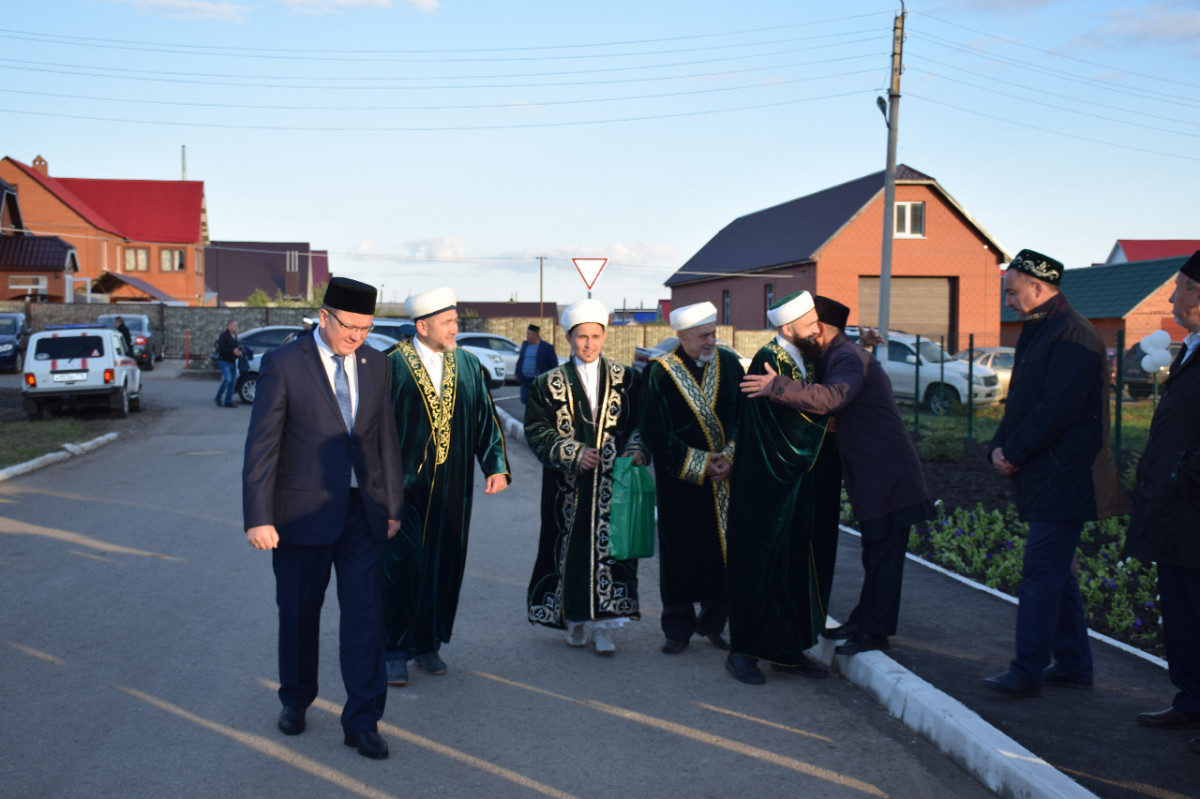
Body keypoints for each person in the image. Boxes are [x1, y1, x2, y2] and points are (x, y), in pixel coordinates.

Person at [242, 276, 405, 760]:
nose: (357, 336)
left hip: (362, 512)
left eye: (366, 328)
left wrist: (392, 505)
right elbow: (262, 445)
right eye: (349, 326)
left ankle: (363, 721)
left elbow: (384, 438)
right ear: (324, 316)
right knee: (298, 614)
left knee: (365, 618)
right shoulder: (283, 363)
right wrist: (259, 516)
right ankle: (295, 699)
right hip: (300, 515)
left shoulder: (377, 363)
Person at [741, 295, 933, 658]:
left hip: (890, 477)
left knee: (884, 556)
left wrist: (777, 386)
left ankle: (875, 631)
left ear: (822, 329)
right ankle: (864, 620)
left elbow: (832, 397)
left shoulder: (845, 357)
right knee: (875, 553)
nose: (809, 333)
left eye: (813, 326)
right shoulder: (842, 353)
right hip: (877, 475)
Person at [983, 249, 1123, 697]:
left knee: (1041, 573)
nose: (1007, 301)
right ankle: (1075, 665)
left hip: (1070, 476)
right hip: (1049, 473)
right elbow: (1021, 402)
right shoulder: (1042, 329)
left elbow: (1056, 407)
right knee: (1058, 576)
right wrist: (998, 445)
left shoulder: (1074, 334)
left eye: (1012, 292)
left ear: (1038, 287)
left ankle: (1027, 670)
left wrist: (1014, 451)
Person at [381, 287, 510, 687]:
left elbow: (486, 418)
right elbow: (374, 430)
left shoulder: (468, 364)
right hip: (404, 489)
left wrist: (495, 466)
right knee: (401, 567)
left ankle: (427, 643)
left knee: (443, 564)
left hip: (454, 487)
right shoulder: (392, 364)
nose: (456, 329)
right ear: (422, 326)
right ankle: (393, 650)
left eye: (456, 321)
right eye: (448, 322)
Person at [724, 291, 842, 684]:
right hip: (765, 486)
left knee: (792, 569)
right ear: (788, 329)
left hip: (796, 484)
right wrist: (827, 420)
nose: (817, 329)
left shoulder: (807, 358)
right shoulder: (767, 359)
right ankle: (742, 653)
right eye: (810, 324)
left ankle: (787, 652)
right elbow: (780, 425)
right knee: (758, 568)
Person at [524, 298, 648, 655]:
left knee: (614, 553)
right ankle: (574, 619)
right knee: (568, 551)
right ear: (568, 337)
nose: (589, 344)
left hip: (615, 485)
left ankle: (605, 628)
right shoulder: (548, 383)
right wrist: (573, 453)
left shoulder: (627, 378)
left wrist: (636, 448)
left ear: (605, 336)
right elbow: (536, 429)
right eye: (582, 337)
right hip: (567, 487)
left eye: (595, 336)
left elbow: (641, 422)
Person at [1125, 250, 1200, 753]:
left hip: (1192, 506)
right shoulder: (1190, 348)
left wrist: (1181, 475)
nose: (1171, 298)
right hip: (1177, 512)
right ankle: (1191, 701)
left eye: (1179, 288)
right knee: (1181, 614)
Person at [640, 301, 742, 656]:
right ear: (681, 337)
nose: (711, 341)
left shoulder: (729, 363)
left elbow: (745, 415)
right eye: (703, 336)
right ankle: (677, 628)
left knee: (722, 552)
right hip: (680, 482)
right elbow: (655, 430)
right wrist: (700, 463)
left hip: (725, 480)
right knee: (679, 554)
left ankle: (714, 624)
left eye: (713, 333)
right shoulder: (659, 372)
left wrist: (730, 457)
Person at [516, 324, 559, 403]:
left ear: (536, 335)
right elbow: (520, 360)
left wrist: (552, 378)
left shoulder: (546, 347)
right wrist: (517, 372)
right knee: (524, 398)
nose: (527, 336)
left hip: (538, 379)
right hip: (525, 378)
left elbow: (553, 364)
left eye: (529, 334)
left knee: (537, 400)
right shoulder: (525, 345)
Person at [215, 319, 243, 408]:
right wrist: (233, 351)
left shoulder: (235, 336)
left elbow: (235, 347)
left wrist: (239, 351)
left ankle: (228, 401)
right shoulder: (223, 336)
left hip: (232, 362)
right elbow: (222, 349)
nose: (236, 327)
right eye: (234, 326)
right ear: (229, 326)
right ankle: (218, 397)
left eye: (236, 326)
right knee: (227, 379)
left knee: (233, 383)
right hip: (224, 361)